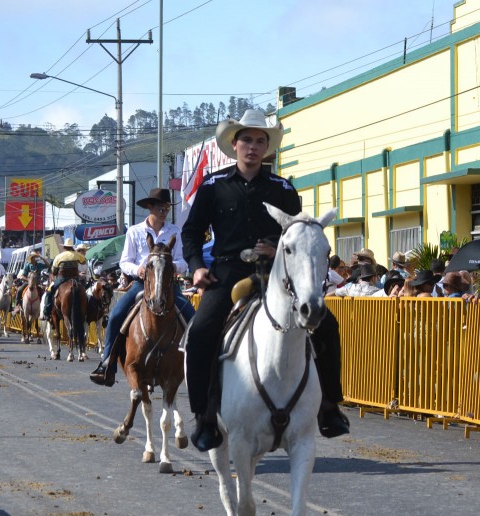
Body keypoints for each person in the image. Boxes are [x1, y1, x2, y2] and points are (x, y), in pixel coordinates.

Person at [181, 109, 348, 451]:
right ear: (234, 143)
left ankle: (330, 408)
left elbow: (297, 233)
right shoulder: (213, 186)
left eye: (260, 141)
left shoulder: (283, 188)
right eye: (247, 140)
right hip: (228, 274)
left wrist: (275, 250)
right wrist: (197, 266)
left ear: (267, 148)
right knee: (200, 332)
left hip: (277, 274)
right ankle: (205, 416)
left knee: (327, 326)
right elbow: (191, 232)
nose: (253, 147)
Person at [90, 188, 196, 386]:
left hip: (168, 285)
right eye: (160, 208)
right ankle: (107, 365)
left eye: (166, 208)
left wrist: (173, 266)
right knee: (114, 317)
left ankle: (199, 365)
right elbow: (124, 262)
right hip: (141, 285)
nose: (164, 211)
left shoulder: (174, 231)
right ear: (150, 207)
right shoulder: (135, 231)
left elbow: (183, 262)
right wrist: (138, 269)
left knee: (193, 318)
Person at [42, 239, 86, 319]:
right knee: (85, 291)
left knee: (49, 291)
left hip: (62, 278)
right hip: (75, 278)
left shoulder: (59, 256)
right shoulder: (77, 254)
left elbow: (54, 272)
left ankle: (47, 311)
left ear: (64, 247)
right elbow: (83, 262)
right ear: (71, 247)